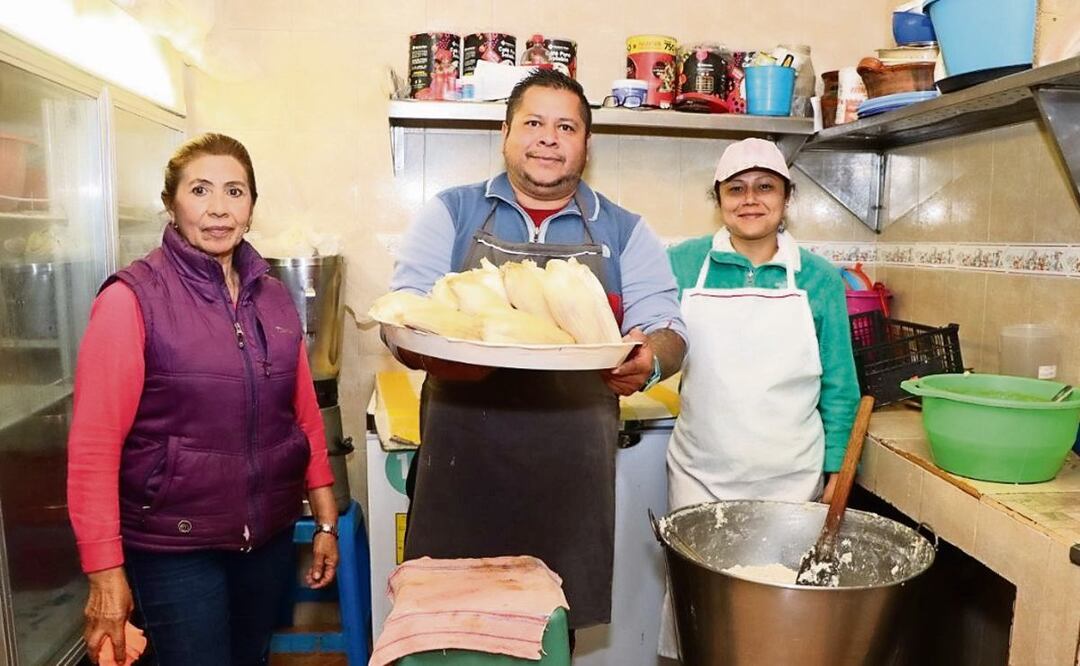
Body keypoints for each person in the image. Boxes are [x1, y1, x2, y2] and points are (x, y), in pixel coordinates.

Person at [386, 69, 687, 633]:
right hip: (460, 469)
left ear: (586, 145)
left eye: (566, 126)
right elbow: (401, 314)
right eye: (533, 123)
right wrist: (432, 354)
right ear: (505, 133)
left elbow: (667, 327)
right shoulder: (451, 214)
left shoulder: (625, 231)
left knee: (549, 636)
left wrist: (648, 363)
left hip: (570, 482)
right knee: (452, 633)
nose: (549, 138)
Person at [67, 133, 340, 665]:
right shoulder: (132, 300)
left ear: (252, 206)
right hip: (174, 544)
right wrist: (104, 571)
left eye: (235, 192)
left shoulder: (273, 295)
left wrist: (324, 518)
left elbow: (301, 412)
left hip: (266, 536)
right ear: (171, 203)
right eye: (200, 190)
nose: (218, 208)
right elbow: (94, 447)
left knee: (249, 658)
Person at [658, 138, 860, 658]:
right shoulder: (682, 264)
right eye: (736, 188)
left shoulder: (817, 277)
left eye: (765, 187)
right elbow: (653, 339)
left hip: (789, 482)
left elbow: (839, 379)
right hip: (700, 474)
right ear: (719, 198)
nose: (750, 199)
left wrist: (837, 463)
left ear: (786, 197)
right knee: (703, 616)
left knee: (780, 622)